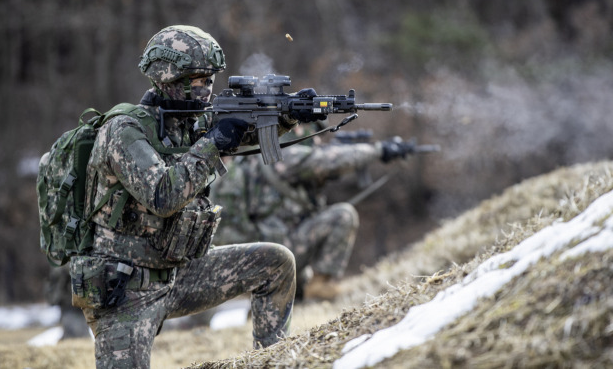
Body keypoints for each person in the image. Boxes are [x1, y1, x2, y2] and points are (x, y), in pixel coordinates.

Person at [70, 25, 321, 368]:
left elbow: (245, 131)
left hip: (181, 273)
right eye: (198, 79)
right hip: (126, 290)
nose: (206, 88)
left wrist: (288, 113)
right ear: (167, 78)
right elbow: (163, 196)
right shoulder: (124, 130)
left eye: (210, 79)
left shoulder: (190, 122)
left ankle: (272, 361)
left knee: (276, 263)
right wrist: (214, 142)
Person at [210, 125, 414, 301]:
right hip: (274, 256)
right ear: (298, 130)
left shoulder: (253, 159)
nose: (316, 139)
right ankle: (320, 283)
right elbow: (329, 161)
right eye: (314, 133)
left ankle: (277, 297)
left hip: (250, 260)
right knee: (343, 214)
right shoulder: (284, 156)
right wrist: (379, 150)